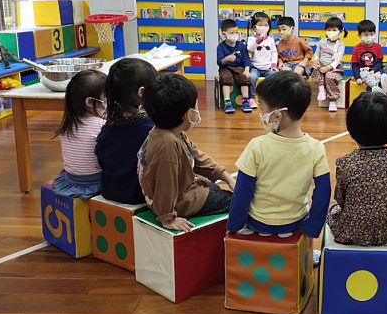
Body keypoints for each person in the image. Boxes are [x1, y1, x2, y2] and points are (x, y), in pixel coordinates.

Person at [227, 71, 331, 238]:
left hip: (258, 221)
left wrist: (234, 225)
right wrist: (312, 228)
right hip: (295, 221)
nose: (261, 114)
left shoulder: (257, 146)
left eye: (262, 108)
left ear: (276, 116)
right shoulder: (316, 148)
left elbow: (242, 191)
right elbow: (323, 192)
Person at [138, 74, 235, 232]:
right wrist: (167, 217)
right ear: (188, 114)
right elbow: (165, 184)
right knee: (237, 202)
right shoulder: (167, 145)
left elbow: (197, 156)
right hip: (181, 203)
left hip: (188, 189)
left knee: (218, 190)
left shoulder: (169, 131)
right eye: (196, 105)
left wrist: (226, 176)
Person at [328, 93, 387, 259]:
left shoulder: (346, 163)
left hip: (353, 232)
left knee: (331, 210)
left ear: (352, 128)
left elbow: (341, 199)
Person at [95, 57, 158, 205]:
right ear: (141, 92)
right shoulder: (151, 128)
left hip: (110, 192)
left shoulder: (107, 128)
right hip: (139, 197)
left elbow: (101, 161)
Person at [52, 69, 107, 200]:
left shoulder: (67, 123)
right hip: (95, 182)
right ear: (90, 102)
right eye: (106, 100)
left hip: (70, 179)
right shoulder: (101, 125)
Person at [217, 18, 253, 115]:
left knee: (244, 78)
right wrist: (226, 59)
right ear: (224, 34)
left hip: (238, 67)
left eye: (236, 32)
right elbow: (219, 62)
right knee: (226, 78)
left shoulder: (241, 45)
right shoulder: (221, 47)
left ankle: (245, 100)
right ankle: (227, 102)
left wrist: (247, 70)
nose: (235, 35)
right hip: (225, 67)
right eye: (232, 33)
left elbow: (246, 59)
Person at [311, 16, 347, 112]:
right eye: (329, 30)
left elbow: (338, 59)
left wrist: (328, 68)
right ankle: (321, 88)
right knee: (314, 65)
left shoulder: (340, 45)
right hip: (322, 64)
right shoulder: (321, 42)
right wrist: (316, 61)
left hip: (335, 68)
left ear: (340, 31)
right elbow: (317, 54)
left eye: (334, 30)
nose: (331, 32)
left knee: (329, 76)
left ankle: (332, 101)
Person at [351, 19, 387, 94]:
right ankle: (378, 86)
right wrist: (358, 77)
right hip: (363, 71)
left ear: (375, 33)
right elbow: (354, 65)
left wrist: (373, 70)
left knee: (380, 75)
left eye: (371, 34)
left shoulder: (378, 47)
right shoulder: (356, 48)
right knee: (366, 76)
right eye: (366, 35)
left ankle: (376, 88)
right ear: (359, 35)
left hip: (375, 70)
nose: (369, 37)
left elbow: (379, 62)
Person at [246, 11, 277, 101]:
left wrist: (274, 65)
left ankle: (271, 97)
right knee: (252, 77)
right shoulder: (251, 39)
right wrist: (259, 40)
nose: (263, 27)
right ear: (254, 27)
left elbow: (274, 53)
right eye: (260, 25)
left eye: (266, 25)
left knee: (275, 77)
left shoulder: (270, 40)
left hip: (268, 67)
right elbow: (250, 49)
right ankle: (251, 98)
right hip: (255, 67)